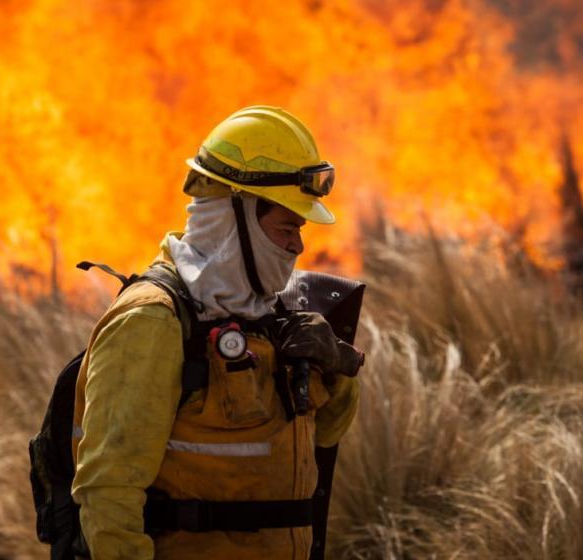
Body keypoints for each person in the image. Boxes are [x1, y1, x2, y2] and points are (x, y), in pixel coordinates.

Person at [70, 106, 363, 559]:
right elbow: (108, 492)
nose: (298, 245)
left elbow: (326, 435)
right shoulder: (152, 321)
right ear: (235, 217)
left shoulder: (270, 313)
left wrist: (337, 369)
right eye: (287, 227)